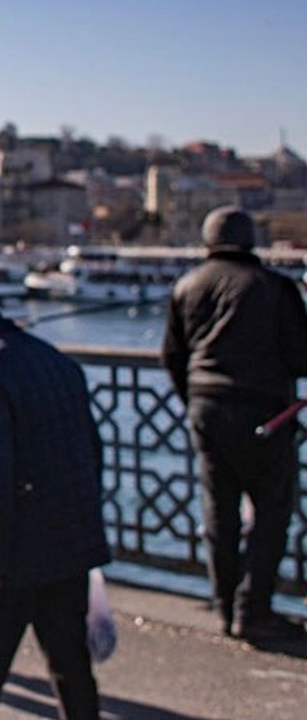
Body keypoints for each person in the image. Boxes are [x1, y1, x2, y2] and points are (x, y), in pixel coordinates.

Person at [0, 279, 109, 720]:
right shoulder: (55, 360)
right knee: (73, 668)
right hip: (68, 548)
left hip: (12, 556)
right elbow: (92, 453)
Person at [162, 205, 307, 640]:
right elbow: (302, 356)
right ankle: (253, 607)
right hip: (265, 413)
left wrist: (193, 399)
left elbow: (173, 355)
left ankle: (225, 607)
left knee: (218, 510)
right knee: (271, 510)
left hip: (206, 409)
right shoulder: (274, 288)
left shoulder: (187, 285)